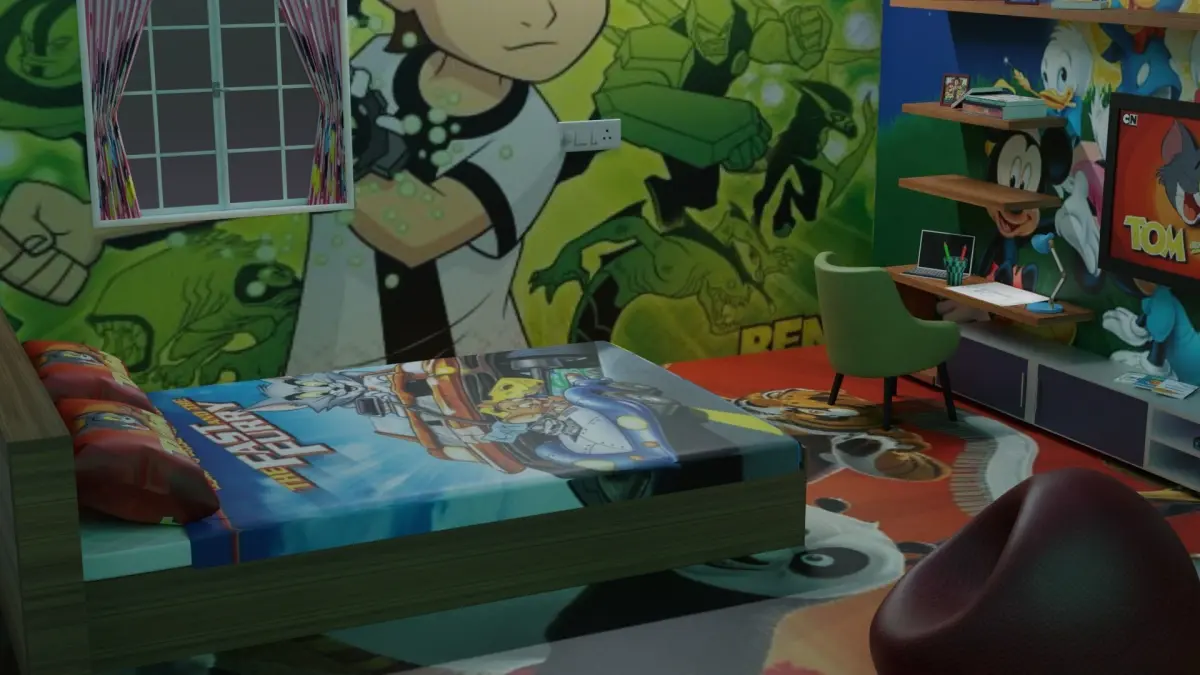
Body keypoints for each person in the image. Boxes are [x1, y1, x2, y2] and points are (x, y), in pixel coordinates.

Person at [287, 0, 609, 372]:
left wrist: (330, 138)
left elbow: (416, 232)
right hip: (333, 351)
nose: (545, 15)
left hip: (461, 373)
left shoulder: (533, 132)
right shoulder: (379, 60)